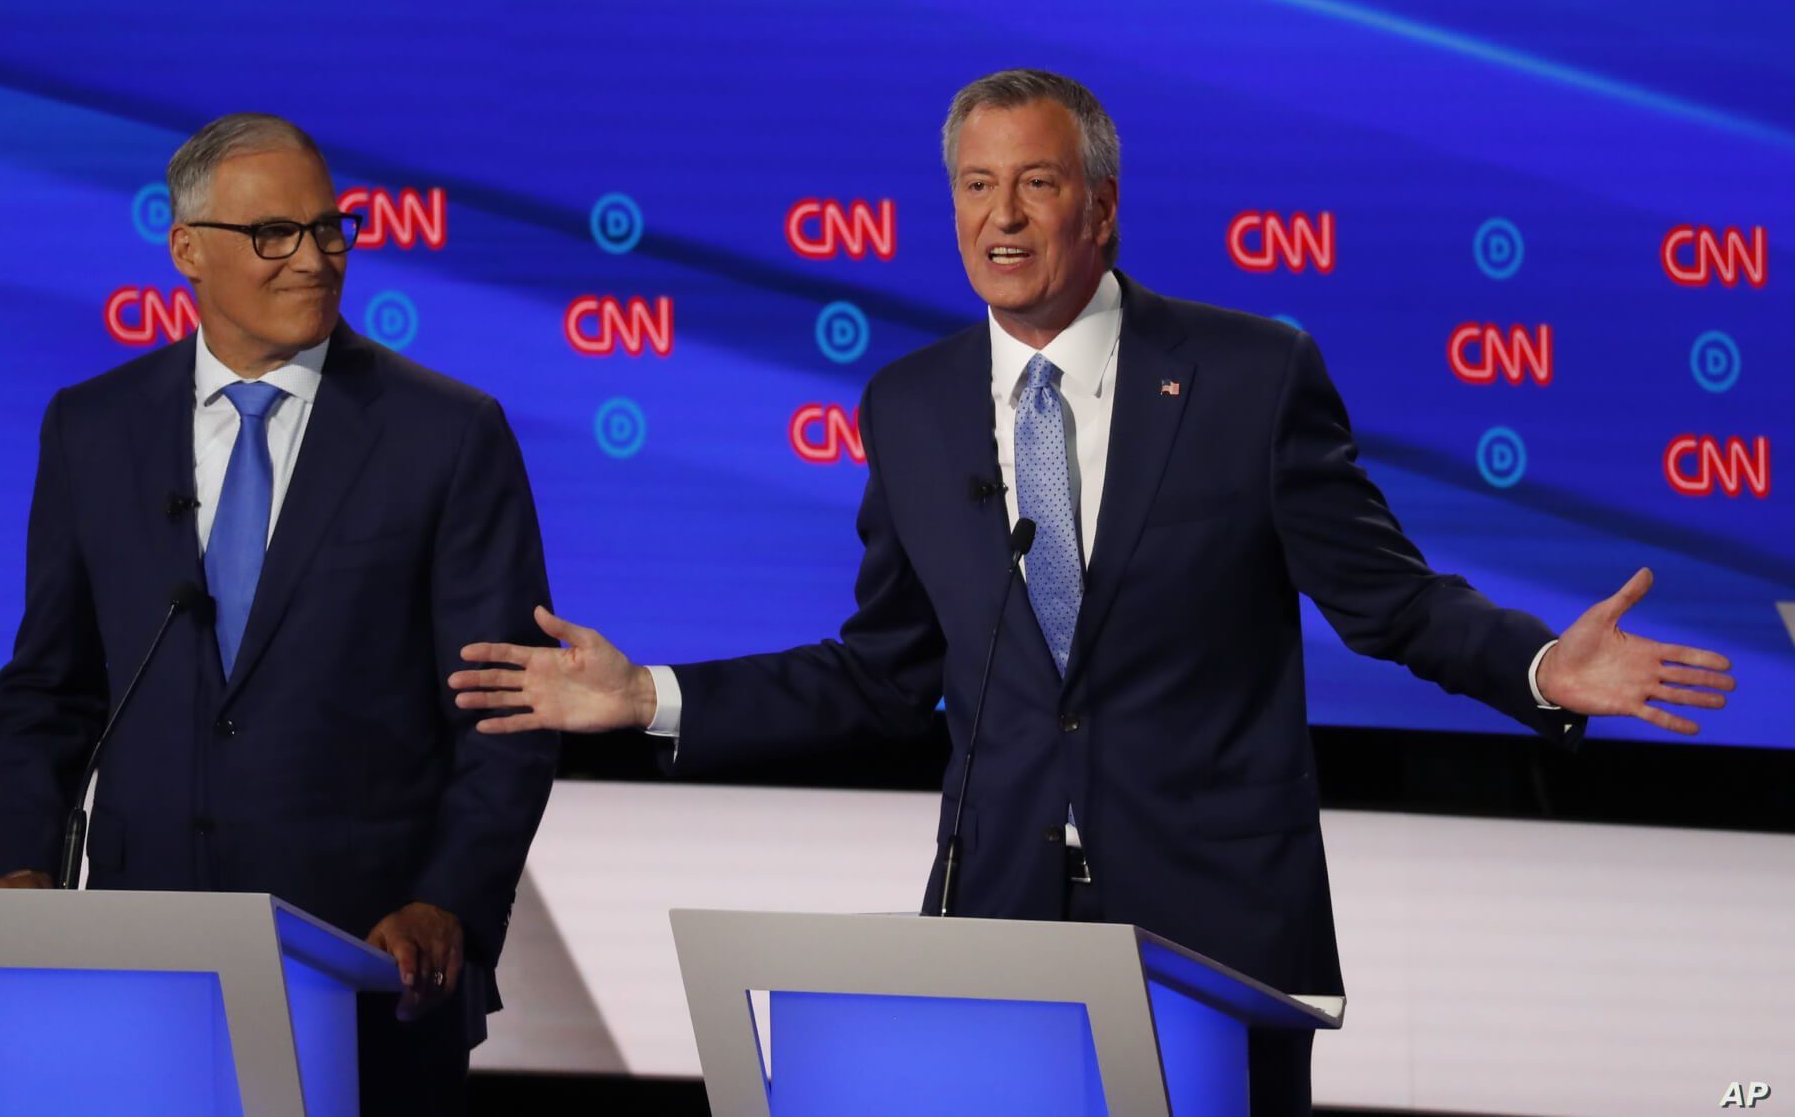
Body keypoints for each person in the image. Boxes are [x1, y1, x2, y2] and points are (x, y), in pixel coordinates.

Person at [449, 70, 1733, 1114]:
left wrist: (1531, 667)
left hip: (1211, 935)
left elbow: (1386, 601)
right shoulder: (911, 403)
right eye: (974, 187)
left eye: (1036, 184)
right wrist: (655, 696)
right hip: (1000, 912)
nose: (1001, 217)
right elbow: (885, 669)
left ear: (1100, 210)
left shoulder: (1246, 375)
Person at [0, 113, 558, 1114]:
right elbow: (51, 685)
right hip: (144, 963)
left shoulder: (447, 434)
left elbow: (506, 716)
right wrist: (26, 867)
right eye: (274, 235)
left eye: (330, 229)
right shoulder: (93, 426)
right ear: (188, 249)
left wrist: (446, 900)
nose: (313, 258)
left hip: (369, 971)